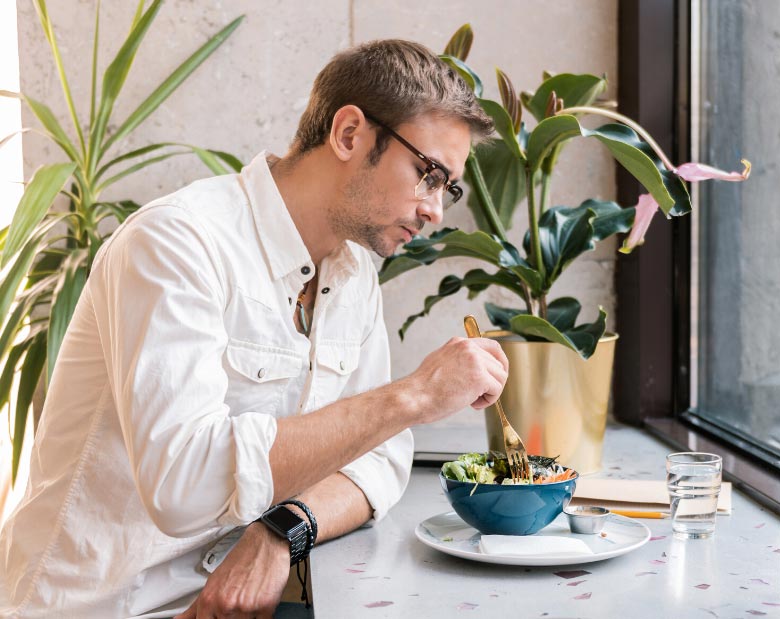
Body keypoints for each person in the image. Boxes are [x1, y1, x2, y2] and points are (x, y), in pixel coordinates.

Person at [0, 39, 501, 618]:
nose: (436, 210)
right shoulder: (176, 244)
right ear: (348, 134)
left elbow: (380, 461)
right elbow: (183, 484)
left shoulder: (354, 269)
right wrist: (414, 394)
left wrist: (283, 529)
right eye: (429, 174)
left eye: (448, 188)